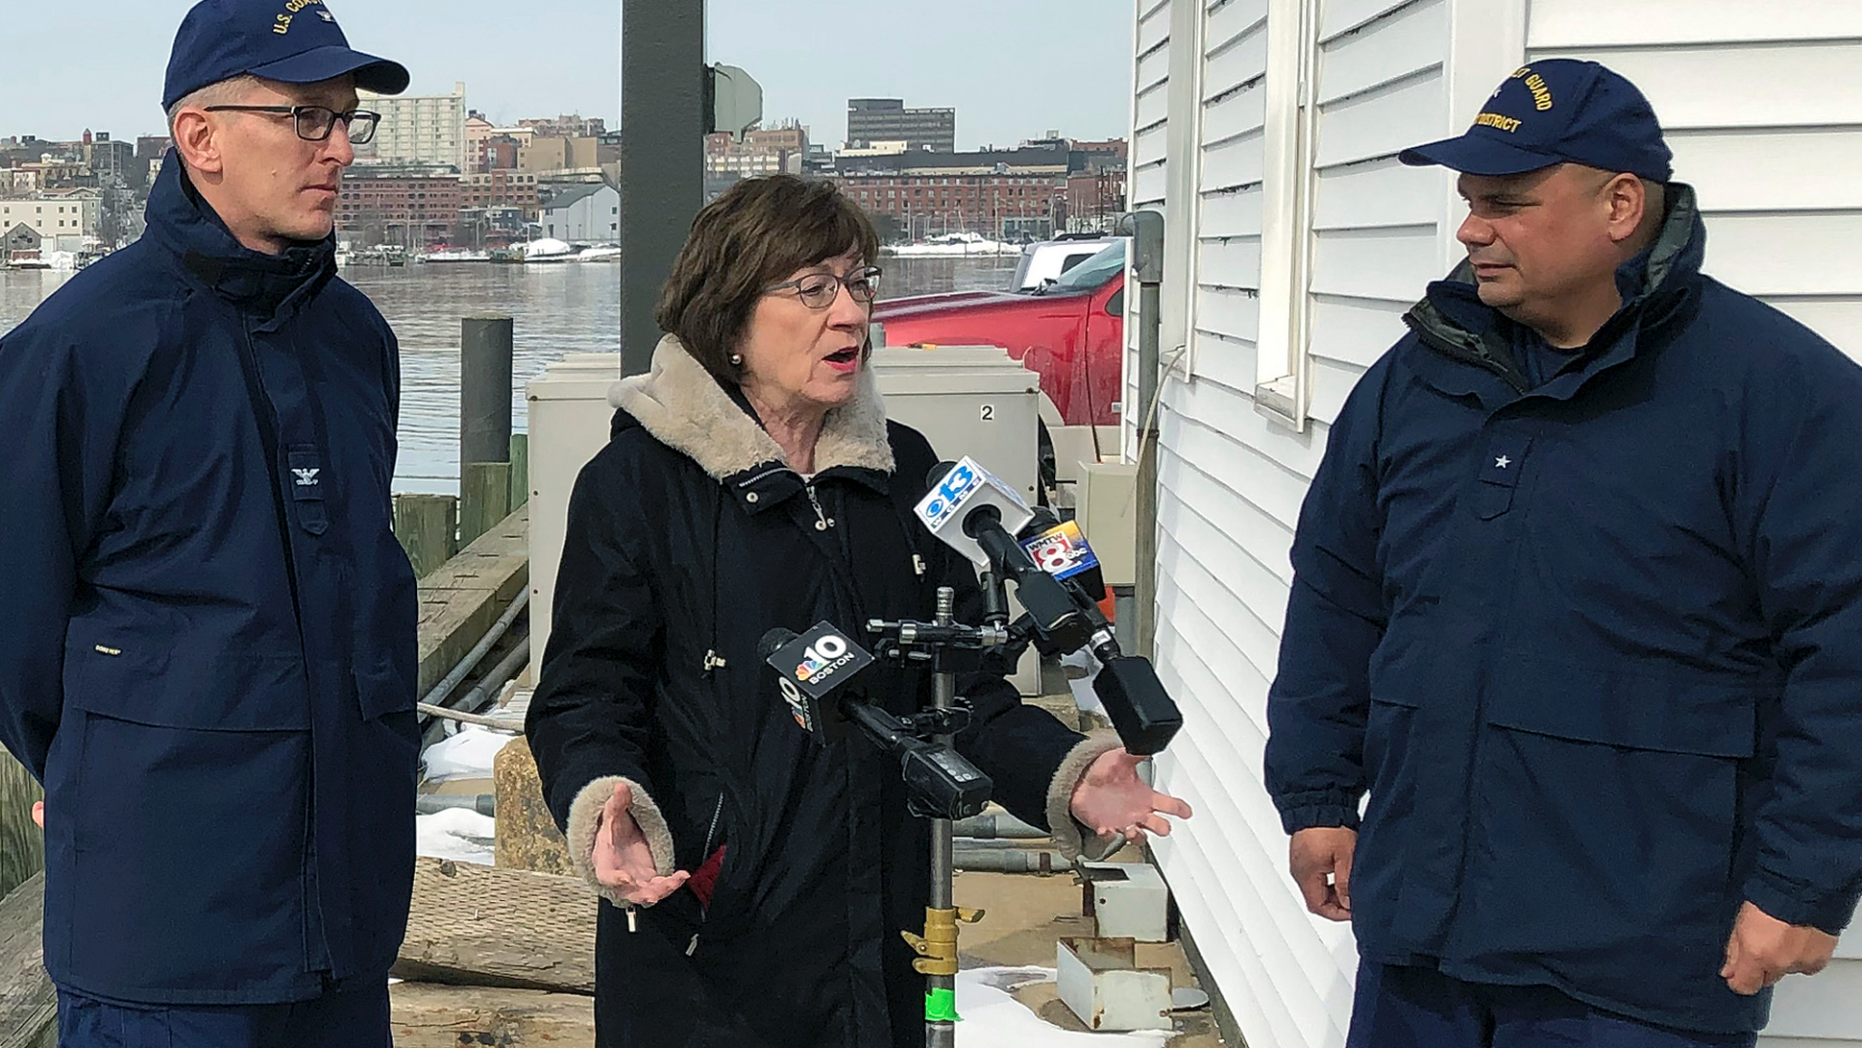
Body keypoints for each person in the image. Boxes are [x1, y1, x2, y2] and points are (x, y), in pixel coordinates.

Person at [1264, 58, 1862, 1048]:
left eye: (1505, 201)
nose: (1468, 228)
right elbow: (1337, 593)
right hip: (1423, 944)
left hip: (1641, 968)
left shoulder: (1777, 394)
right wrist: (1318, 790)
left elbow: (1846, 647)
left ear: (1619, 204)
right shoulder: (1416, 380)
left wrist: (1802, 881)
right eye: (1466, 202)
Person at [525, 173, 1193, 1047]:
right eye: (813, 288)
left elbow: (962, 694)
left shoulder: (902, 472)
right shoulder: (637, 487)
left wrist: (1065, 771)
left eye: (858, 281)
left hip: (880, 941)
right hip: (707, 944)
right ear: (728, 318)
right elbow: (584, 698)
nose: (851, 314)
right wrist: (607, 802)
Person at [0, 1, 418, 1043]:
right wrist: (106, 767)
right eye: (303, 119)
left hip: (348, 927)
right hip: (165, 939)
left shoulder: (358, 340)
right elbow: (13, 622)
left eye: (344, 121)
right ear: (201, 138)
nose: (335, 151)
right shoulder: (81, 346)